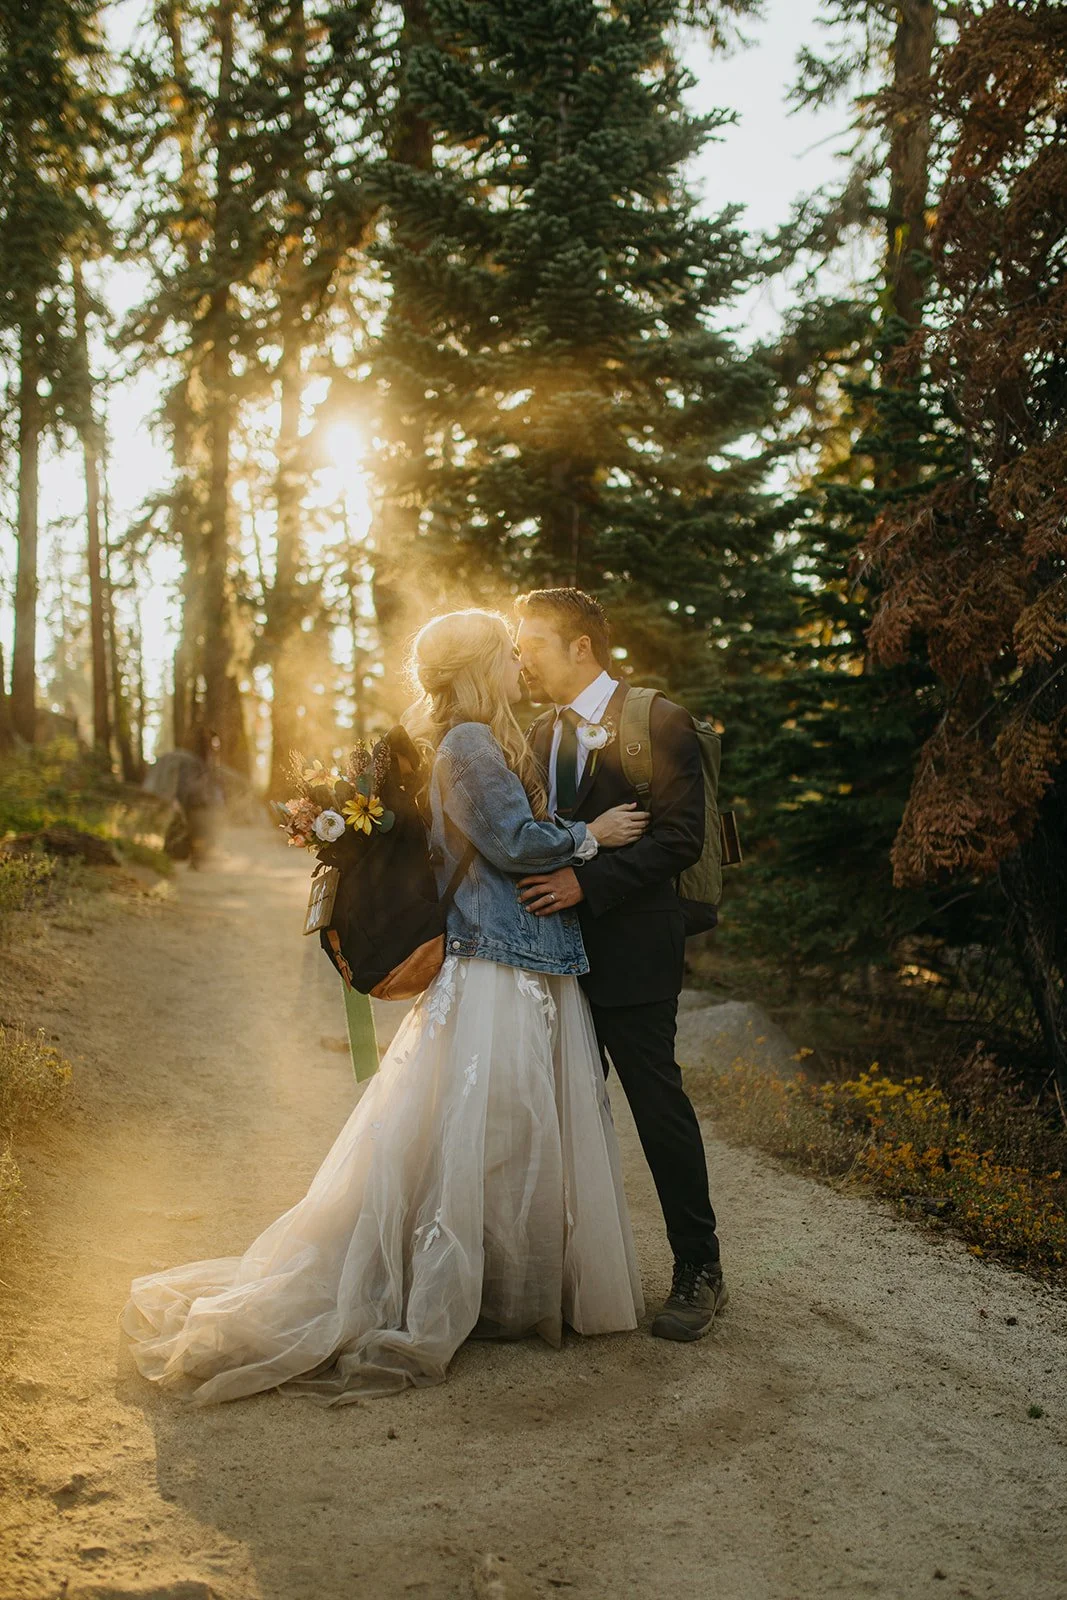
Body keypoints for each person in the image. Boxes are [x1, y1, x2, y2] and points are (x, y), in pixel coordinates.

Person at [121, 608, 649, 1405]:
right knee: (488, 1128)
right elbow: (510, 842)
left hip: (520, 956)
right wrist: (591, 836)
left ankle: (502, 1284)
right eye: (505, 654)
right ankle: (458, 1290)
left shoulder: (474, 737)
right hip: (497, 961)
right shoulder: (469, 743)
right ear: (477, 667)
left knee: (496, 1129)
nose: (517, 663)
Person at [514, 587, 727, 1341]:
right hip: (549, 951)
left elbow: (680, 840)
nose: (522, 658)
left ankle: (699, 1270)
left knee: (653, 1103)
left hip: (633, 946)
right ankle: (556, 1273)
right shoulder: (536, 730)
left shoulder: (656, 720)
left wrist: (584, 878)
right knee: (555, 1110)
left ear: (581, 647)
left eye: (534, 643)